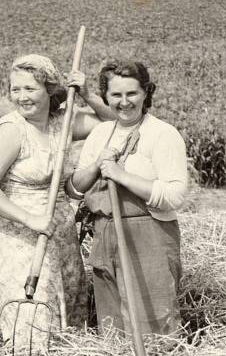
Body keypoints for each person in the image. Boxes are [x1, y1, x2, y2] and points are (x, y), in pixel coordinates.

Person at [0, 54, 113, 351]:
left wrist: (87, 93)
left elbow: (112, 121)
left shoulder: (62, 123)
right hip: (22, 239)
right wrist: (29, 219)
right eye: (15, 89)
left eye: (30, 89)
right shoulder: (11, 130)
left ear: (49, 89)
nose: (21, 97)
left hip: (61, 234)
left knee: (68, 319)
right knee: (34, 319)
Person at [69, 60, 188, 336]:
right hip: (104, 231)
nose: (124, 102)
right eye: (116, 95)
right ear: (105, 97)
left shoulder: (162, 134)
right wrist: (96, 166)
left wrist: (122, 176)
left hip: (148, 235)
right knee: (112, 324)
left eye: (132, 93)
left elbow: (174, 196)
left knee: (153, 325)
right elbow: (74, 189)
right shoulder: (99, 134)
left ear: (146, 92)